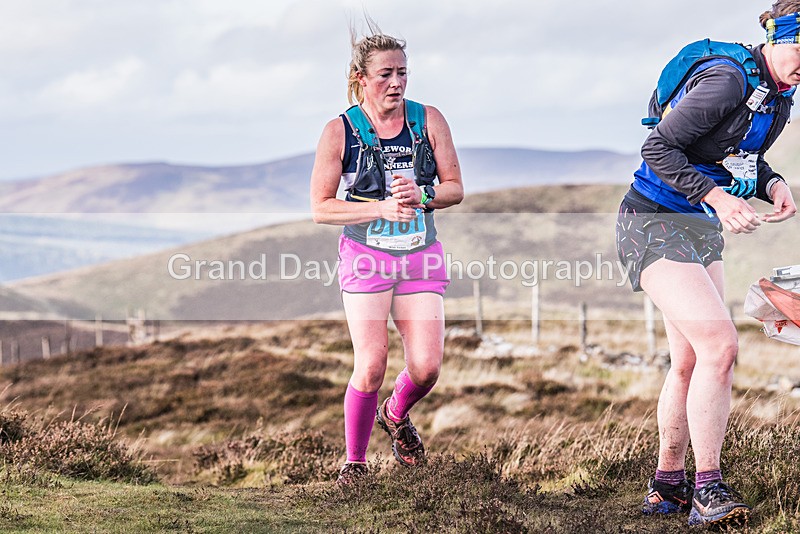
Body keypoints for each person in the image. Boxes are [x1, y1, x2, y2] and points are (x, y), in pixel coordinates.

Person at [616, 1, 799, 527]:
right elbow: (658, 148)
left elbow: (738, 155)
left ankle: (666, 486)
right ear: (778, 38)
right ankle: (708, 489)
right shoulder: (726, 80)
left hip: (697, 227)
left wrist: (773, 184)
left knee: (691, 360)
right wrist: (718, 198)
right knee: (720, 346)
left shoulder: (779, 97)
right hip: (652, 221)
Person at [310, 21, 464, 484]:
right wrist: (379, 207)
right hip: (366, 258)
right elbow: (321, 208)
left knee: (427, 367)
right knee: (372, 363)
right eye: (385, 75)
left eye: (402, 73)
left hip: (420, 255)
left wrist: (423, 195)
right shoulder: (339, 131)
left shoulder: (428, 120)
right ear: (361, 78)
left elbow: (455, 188)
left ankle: (394, 414)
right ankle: (354, 465)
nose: (396, 82)